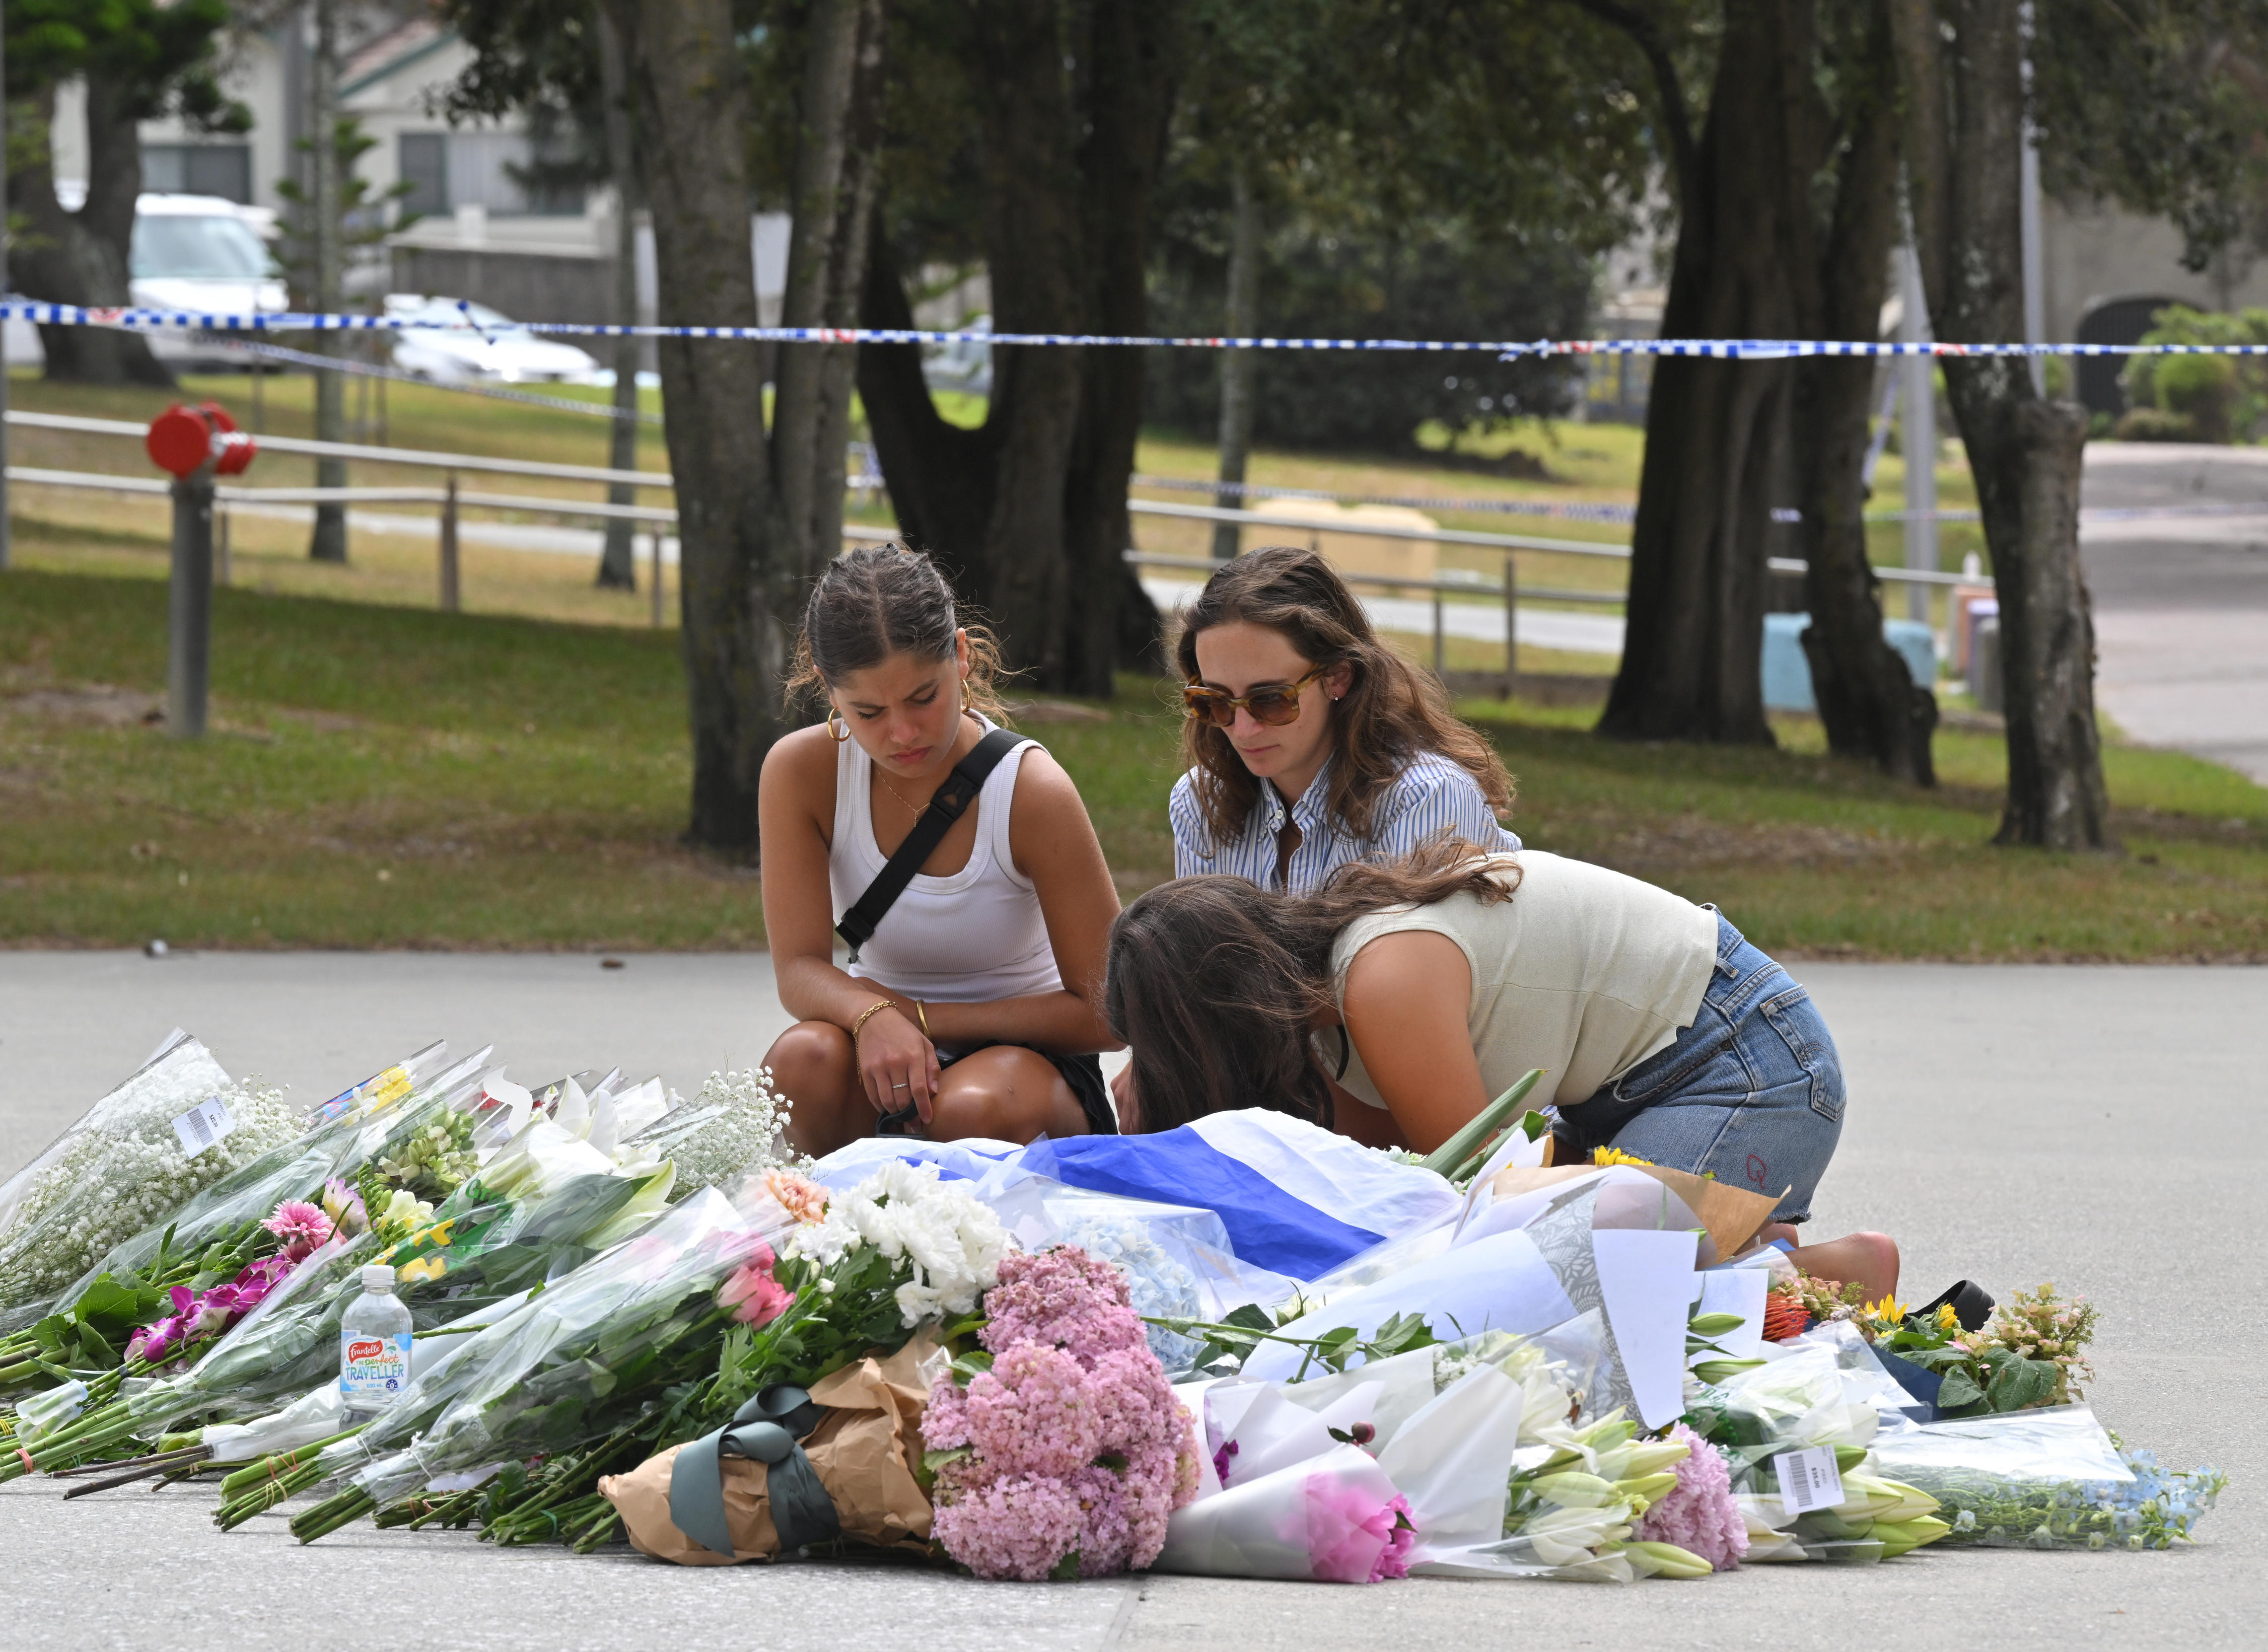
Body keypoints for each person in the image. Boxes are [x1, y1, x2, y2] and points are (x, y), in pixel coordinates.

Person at [1100, 840, 1899, 1294]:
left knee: (1589, 1289)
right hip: (1644, 1088)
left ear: (1225, 1026)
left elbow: (1480, 1194)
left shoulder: (1383, 981)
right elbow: (1378, 1164)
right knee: (1589, 1276)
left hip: (1749, 1065)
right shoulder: (1336, 1003)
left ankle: (1823, 1270)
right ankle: (1748, 1250)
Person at [758, 545, 1123, 1159]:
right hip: (882, 1041)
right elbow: (797, 969)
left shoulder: (1029, 790)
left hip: (1029, 1065)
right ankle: (825, 1246)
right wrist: (872, 1017)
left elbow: (1111, 1013)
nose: (902, 733)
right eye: (869, 712)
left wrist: (913, 1017)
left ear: (960, 654)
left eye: (924, 697)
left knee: (964, 1111)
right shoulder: (801, 771)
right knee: (798, 1065)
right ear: (827, 689)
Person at [1169, 544, 1520, 894]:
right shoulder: (1201, 803)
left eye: (1271, 700)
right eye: (1215, 702)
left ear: (1338, 677)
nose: (1243, 728)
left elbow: (1410, 951)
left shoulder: (1428, 798)